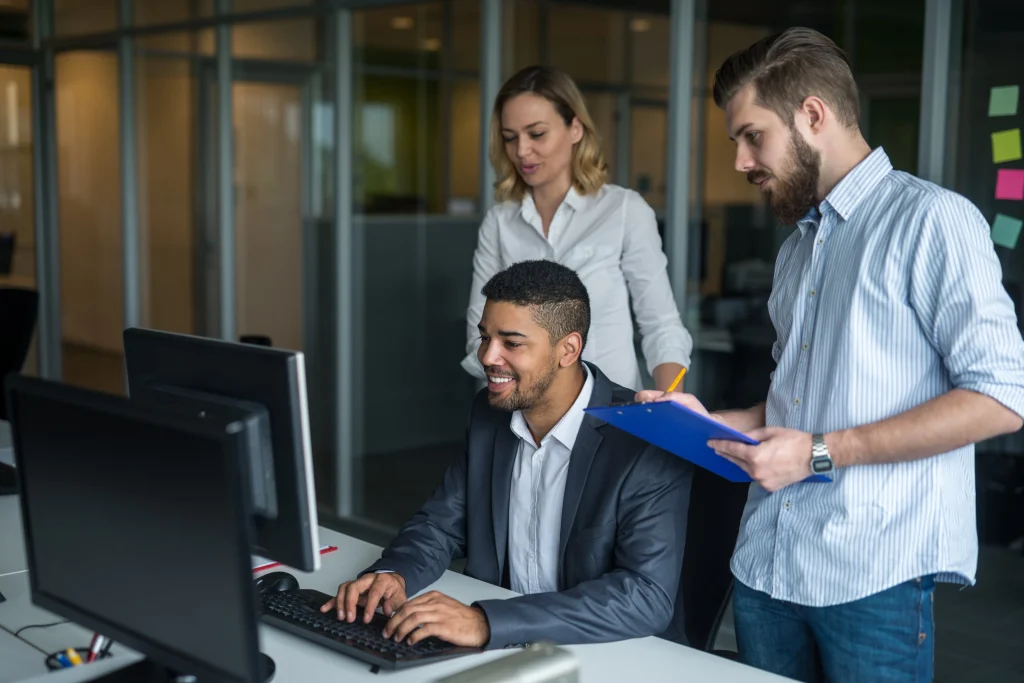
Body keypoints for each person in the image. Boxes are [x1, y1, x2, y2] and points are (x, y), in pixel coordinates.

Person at [638, 27, 1024, 683]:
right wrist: (712, 418)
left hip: (871, 576)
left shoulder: (932, 221)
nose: (739, 160)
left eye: (752, 135)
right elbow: (803, 397)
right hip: (766, 563)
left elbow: (1001, 399)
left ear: (812, 115)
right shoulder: (796, 250)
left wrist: (819, 451)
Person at [324, 260, 694, 649]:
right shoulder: (489, 413)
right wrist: (395, 573)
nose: (487, 356)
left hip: (614, 653)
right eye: (485, 337)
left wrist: (488, 622)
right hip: (506, 651)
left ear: (568, 349)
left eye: (511, 343)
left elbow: (646, 597)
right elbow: (442, 522)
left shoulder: (645, 438)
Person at [461, 65, 692, 392]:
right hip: (522, 422)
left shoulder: (623, 211)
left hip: (608, 416)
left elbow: (662, 327)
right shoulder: (499, 223)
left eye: (537, 134)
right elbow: (478, 337)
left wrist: (671, 405)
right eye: (510, 138)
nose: (522, 151)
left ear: (575, 129)